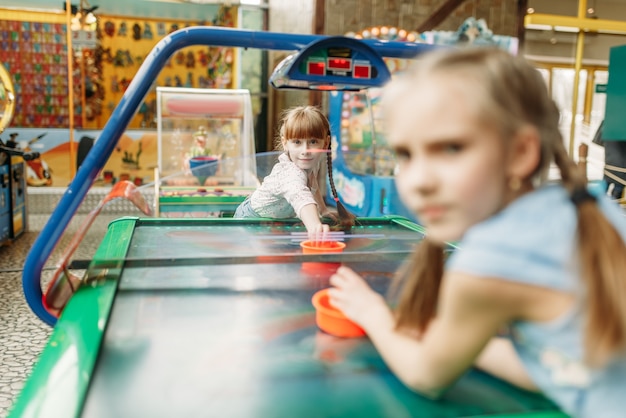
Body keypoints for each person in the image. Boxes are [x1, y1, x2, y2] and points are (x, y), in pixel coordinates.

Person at [328, 48, 626, 418]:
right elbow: (559, 365)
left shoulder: (491, 262)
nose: (419, 181)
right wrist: (456, 336)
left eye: (451, 148)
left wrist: (373, 313)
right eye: (404, 154)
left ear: (520, 152)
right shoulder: (588, 207)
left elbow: (426, 375)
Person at [234, 106, 354, 239]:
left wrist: (323, 210)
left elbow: (312, 186)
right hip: (250, 219)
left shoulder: (310, 162)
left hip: (273, 220)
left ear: (325, 144)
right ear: (285, 143)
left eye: (313, 142)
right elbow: (301, 196)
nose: (305, 150)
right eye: (297, 142)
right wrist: (314, 225)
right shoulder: (290, 173)